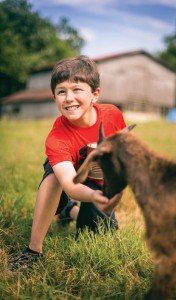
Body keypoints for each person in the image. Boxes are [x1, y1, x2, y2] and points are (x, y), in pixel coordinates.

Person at [8, 55, 126, 271]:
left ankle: (68, 212)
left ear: (95, 94)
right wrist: (93, 196)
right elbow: (70, 184)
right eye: (61, 91)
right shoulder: (58, 137)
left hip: (98, 176)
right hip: (69, 172)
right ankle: (34, 250)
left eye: (76, 89)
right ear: (54, 98)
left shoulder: (113, 115)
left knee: (99, 236)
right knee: (53, 179)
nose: (68, 98)